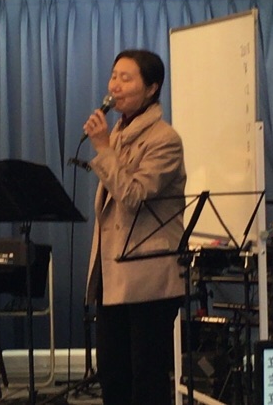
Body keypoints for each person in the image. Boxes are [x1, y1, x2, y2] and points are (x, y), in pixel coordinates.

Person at [82, 49, 186, 405]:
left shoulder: (164, 139)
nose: (115, 86)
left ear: (152, 88)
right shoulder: (119, 134)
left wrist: (102, 148)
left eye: (126, 78)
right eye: (114, 76)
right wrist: (107, 146)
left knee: (147, 377)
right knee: (113, 375)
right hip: (113, 274)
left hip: (149, 276)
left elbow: (133, 195)